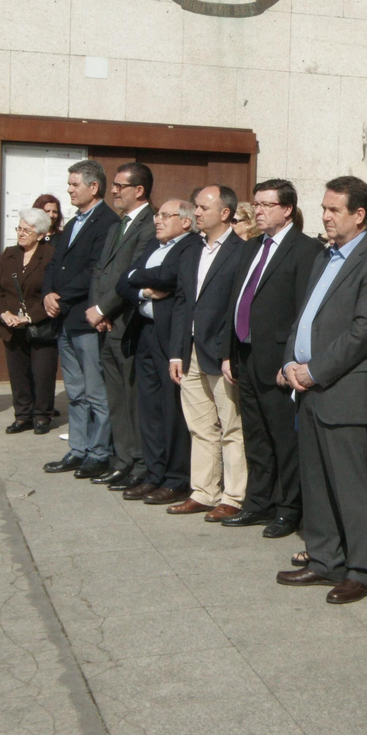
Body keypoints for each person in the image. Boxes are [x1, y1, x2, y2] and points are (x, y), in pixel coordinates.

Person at [274, 176, 367, 605]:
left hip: (344, 390)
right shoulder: (324, 258)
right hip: (308, 388)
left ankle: (361, 570)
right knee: (317, 482)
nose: (325, 216)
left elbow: (365, 332)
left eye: (333, 210)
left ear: (359, 215)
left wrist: (314, 371)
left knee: (353, 486)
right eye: (324, 208)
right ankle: (325, 559)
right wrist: (290, 360)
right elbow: (304, 316)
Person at [222, 179, 325, 536]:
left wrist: (289, 361)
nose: (259, 211)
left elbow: (303, 312)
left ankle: (288, 507)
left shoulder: (305, 249)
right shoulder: (252, 247)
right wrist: (229, 352)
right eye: (257, 204)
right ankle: (258, 502)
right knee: (255, 435)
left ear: (287, 210)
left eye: (267, 205)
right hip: (246, 354)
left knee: (284, 438)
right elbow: (237, 300)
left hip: (279, 361)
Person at [166, 185, 248, 519]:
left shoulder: (243, 252)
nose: (196, 212)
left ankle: (234, 496)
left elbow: (238, 307)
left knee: (231, 426)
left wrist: (231, 352)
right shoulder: (190, 251)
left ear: (224, 213)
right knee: (200, 426)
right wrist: (176, 352)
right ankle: (203, 491)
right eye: (195, 207)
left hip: (222, 352)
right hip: (191, 352)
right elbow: (182, 303)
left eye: (202, 207)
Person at [41, 160, 121, 480]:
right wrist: (48, 293)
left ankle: (99, 452)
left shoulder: (107, 223)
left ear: (94, 187)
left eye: (75, 184)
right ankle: (78, 448)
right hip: (64, 319)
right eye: (69, 183)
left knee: (94, 391)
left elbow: (94, 271)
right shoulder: (74, 222)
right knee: (74, 390)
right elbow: (54, 263)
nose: (69, 190)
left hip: (86, 318)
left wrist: (61, 296)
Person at [118, 200, 201, 504]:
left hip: (171, 337)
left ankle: (176, 478)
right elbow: (122, 280)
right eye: (157, 215)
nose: (158, 220)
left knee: (172, 409)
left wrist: (138, 276)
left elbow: (169, 277)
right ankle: (154, 474)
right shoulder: (153, 244)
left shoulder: (190, 246)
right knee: (149, 408)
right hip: (145, 331)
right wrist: (143, 288)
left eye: (166, 215)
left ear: (186, 222)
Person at [84, 163, 156, 489]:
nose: (113, 190)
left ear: (138, 190)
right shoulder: (118, 226)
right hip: (107, 323)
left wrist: (104, 308)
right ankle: (122, 459)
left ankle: (140, 462)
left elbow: (134, 273)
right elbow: (101, 270)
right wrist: (96, 310)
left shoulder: (150, 224)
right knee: (114, 396)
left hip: (128, 323)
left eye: (119, 185)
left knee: (131, 396)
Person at [0, 209, 57, 434]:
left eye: (27, 230)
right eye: (19, 228)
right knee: (18, 373)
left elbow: (53, 291)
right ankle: (23, 415)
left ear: (40, 234)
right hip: (11, 326)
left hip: (40, 325)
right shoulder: (9, 254)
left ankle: (42, 416)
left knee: (42, 372)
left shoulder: (50, 255)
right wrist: (4, 314)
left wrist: (30, 317)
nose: (21, 233)